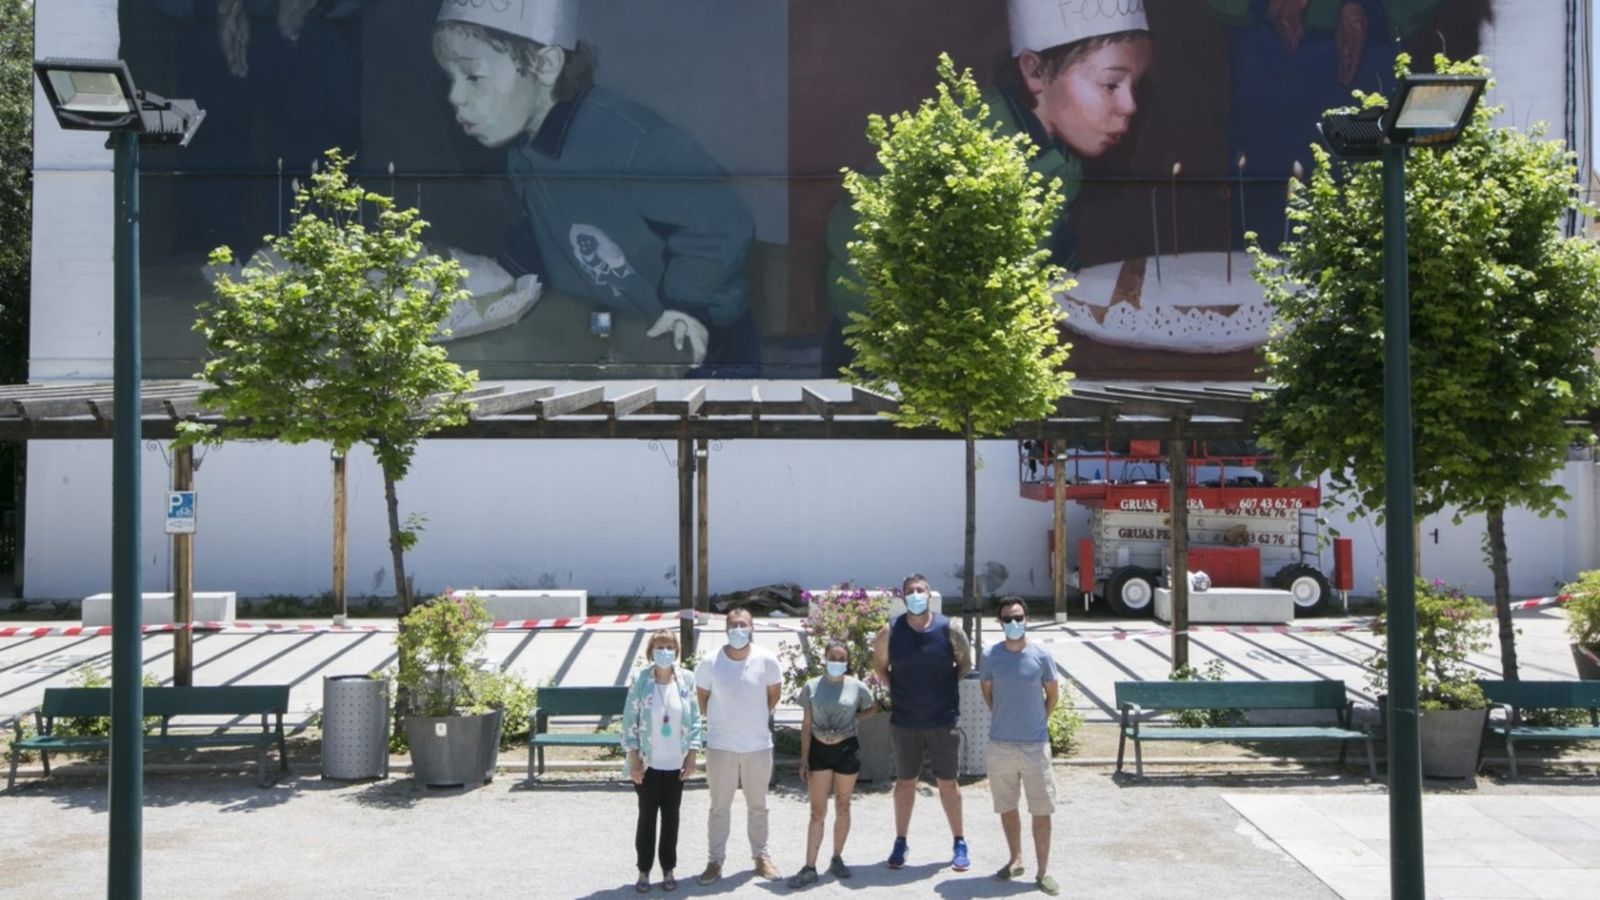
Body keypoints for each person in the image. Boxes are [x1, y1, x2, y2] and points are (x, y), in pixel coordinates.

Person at [431, 0, 761, 374]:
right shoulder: (523, 153)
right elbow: (538, 236)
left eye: (473, 77)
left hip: (701, 347)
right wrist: (489, 272)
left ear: (546, 64)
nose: (455, 97)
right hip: (620, 339)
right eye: (450, 79)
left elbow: (723, 220)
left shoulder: (633, 142)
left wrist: (687, 306)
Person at [822, 0, 1153, 368]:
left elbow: (1050, 261)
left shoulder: (1063, 159)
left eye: (1135, 86)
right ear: (1035, 71)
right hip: (889, 359)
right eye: (1111, 84)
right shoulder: (972, 142)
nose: (1130, 105)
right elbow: (854, 234)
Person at [872, 574, 973, 872]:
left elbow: (963, 664)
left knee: (948, 783)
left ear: (929, 594)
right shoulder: (890, 631)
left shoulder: (950, 628)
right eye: (910, 591)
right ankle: (900, 841)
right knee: (905, 782)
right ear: (903, 597)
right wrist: (900, 691)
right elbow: (881, 668)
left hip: (943, 720)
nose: (916, 594)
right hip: (905, 722)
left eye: (921, 590)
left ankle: (959, 842)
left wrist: (941, 689)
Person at [694, 606, 782, 883]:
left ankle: (761, 857)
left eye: (743, 625)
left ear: (752, 627)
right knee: (719, 807)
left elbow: (773, 696)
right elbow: (702, 698)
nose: (738, 630)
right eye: (733, 625)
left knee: (758, 806)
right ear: (726, 629)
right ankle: (715, 861)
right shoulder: (710, 662)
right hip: (721, 747)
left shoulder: (767, 660)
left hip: (757, 746)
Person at [981, 597, 1062, 897]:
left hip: (1034, 746)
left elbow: (1052, 695)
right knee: (1007, 805)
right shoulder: (990, 655)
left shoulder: (1042, 655)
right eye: (1007, 619)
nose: (1013, 623)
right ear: (999, 622)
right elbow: (988, 693)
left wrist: (1038, 720)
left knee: (1041, 808)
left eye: (1018, 617)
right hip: (1000, 744)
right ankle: (1015, 859)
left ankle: (1043, 871)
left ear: (1027, 619)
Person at [786, 640, 877, 889]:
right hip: (819, 752)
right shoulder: (812, 686)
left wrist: (857, 718)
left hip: (847, 750)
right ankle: (809, 866)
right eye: (833, 658)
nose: (837, 662)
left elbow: (873, 707)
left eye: (841, 659)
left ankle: (837, 857)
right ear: (825, 658)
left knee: (843, 805)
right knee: (817, 811)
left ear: (847, 662)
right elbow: (806, 726)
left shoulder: (856, 686)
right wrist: (804, 759)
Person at [621, 629, 703, 894]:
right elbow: (629, 721)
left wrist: (692, 754)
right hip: (648, 764)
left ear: (676, 651)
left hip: (676, 764)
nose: (664, 651)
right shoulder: (640, 680)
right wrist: (634, 758)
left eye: (669, 647)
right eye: (659, 647)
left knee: (671, 818)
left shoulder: (686, 679)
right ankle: (643, 870)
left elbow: (695, 719)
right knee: (647, 817)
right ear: (651, 651)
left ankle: (668, 868)